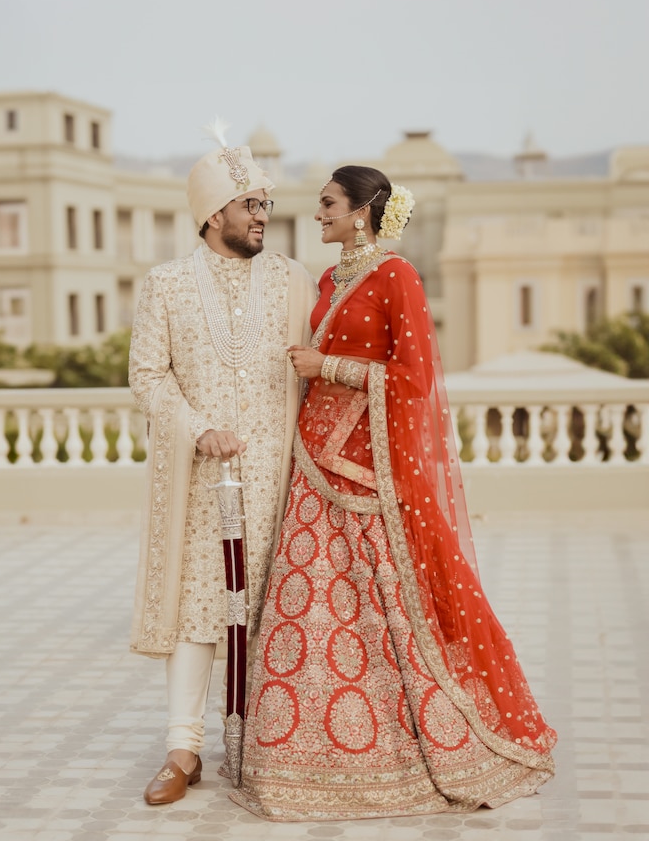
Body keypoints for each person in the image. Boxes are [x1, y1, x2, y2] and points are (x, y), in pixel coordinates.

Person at [230, 165, 557, 821]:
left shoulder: (397, 275)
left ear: (361, 211)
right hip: (311, 466)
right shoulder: (327, 279)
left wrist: (332, 367)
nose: (316, 213)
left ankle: (401, 744)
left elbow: (415, 378)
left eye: (327, 204)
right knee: (306, 609)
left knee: (383, 612)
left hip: (366, 472)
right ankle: (299, 756)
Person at [128, 123, 317, 806]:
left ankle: (275, 746)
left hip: (283, 479)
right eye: (249, 206)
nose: (262, 216)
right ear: (214, 215)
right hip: (204, 480)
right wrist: (199, 428)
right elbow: (148, 376)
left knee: (280, 610)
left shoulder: (294, 280)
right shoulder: (167, 285)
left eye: (266, 204)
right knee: (197, 611)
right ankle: (183, 749)